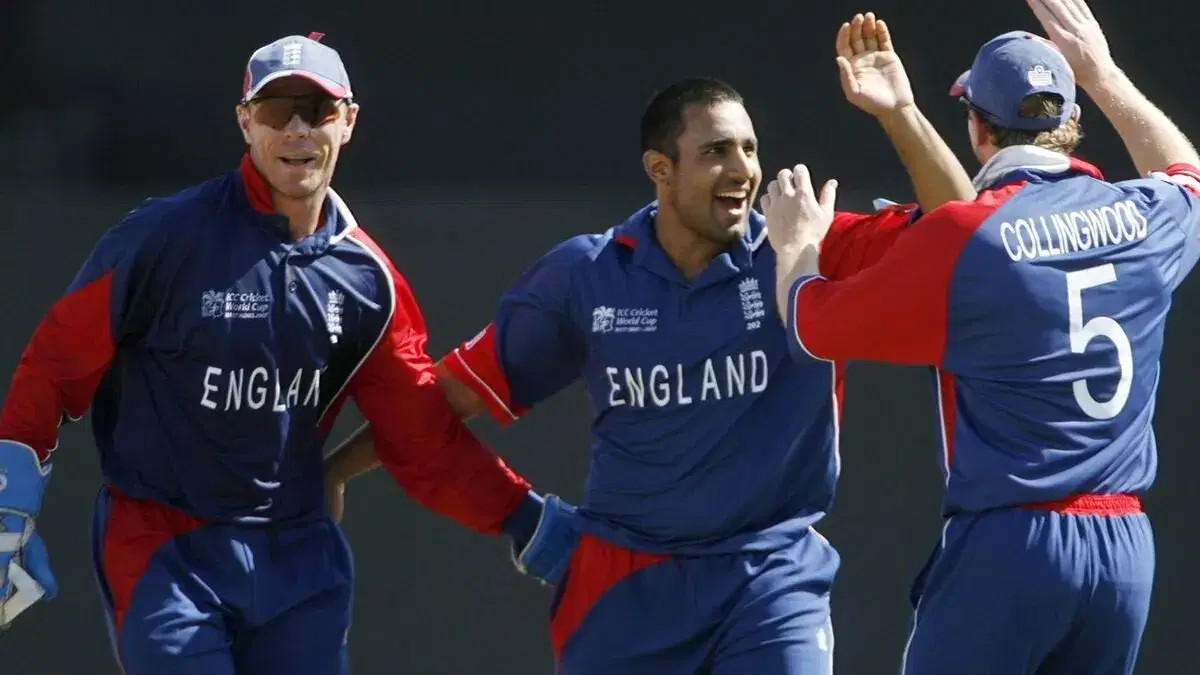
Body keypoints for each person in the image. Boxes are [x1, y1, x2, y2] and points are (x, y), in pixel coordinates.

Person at [324, 14, 975, 674]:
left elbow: (965, 233)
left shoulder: (803, 244)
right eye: (717, 151)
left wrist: (901, 113)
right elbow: (439, 401)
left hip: (768, 574)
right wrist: (338, 472)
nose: (744, 169)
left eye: (750, 149)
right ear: (660, 169)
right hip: (622, 586)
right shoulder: (588, 274)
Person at [0, 32, 566, 675]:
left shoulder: (368, 281)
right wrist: (8, 506)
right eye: (275, 112)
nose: (297, 129)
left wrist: (526, 518)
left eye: (318, 111)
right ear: (245, 123)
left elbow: (420, 435)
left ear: (348, 122)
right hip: (163, 548)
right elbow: (52, 368)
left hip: (298, 556)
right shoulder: (161, 239)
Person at [763, 0, 1199, 672]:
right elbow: (1188, 176)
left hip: (1010, 542)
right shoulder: (1143, 215)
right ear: (1071, 120)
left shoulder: (969, 240)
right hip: (1123, 550)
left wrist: (796, 245)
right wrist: (1104, 73)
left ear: (976, 126)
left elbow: (814, 325)